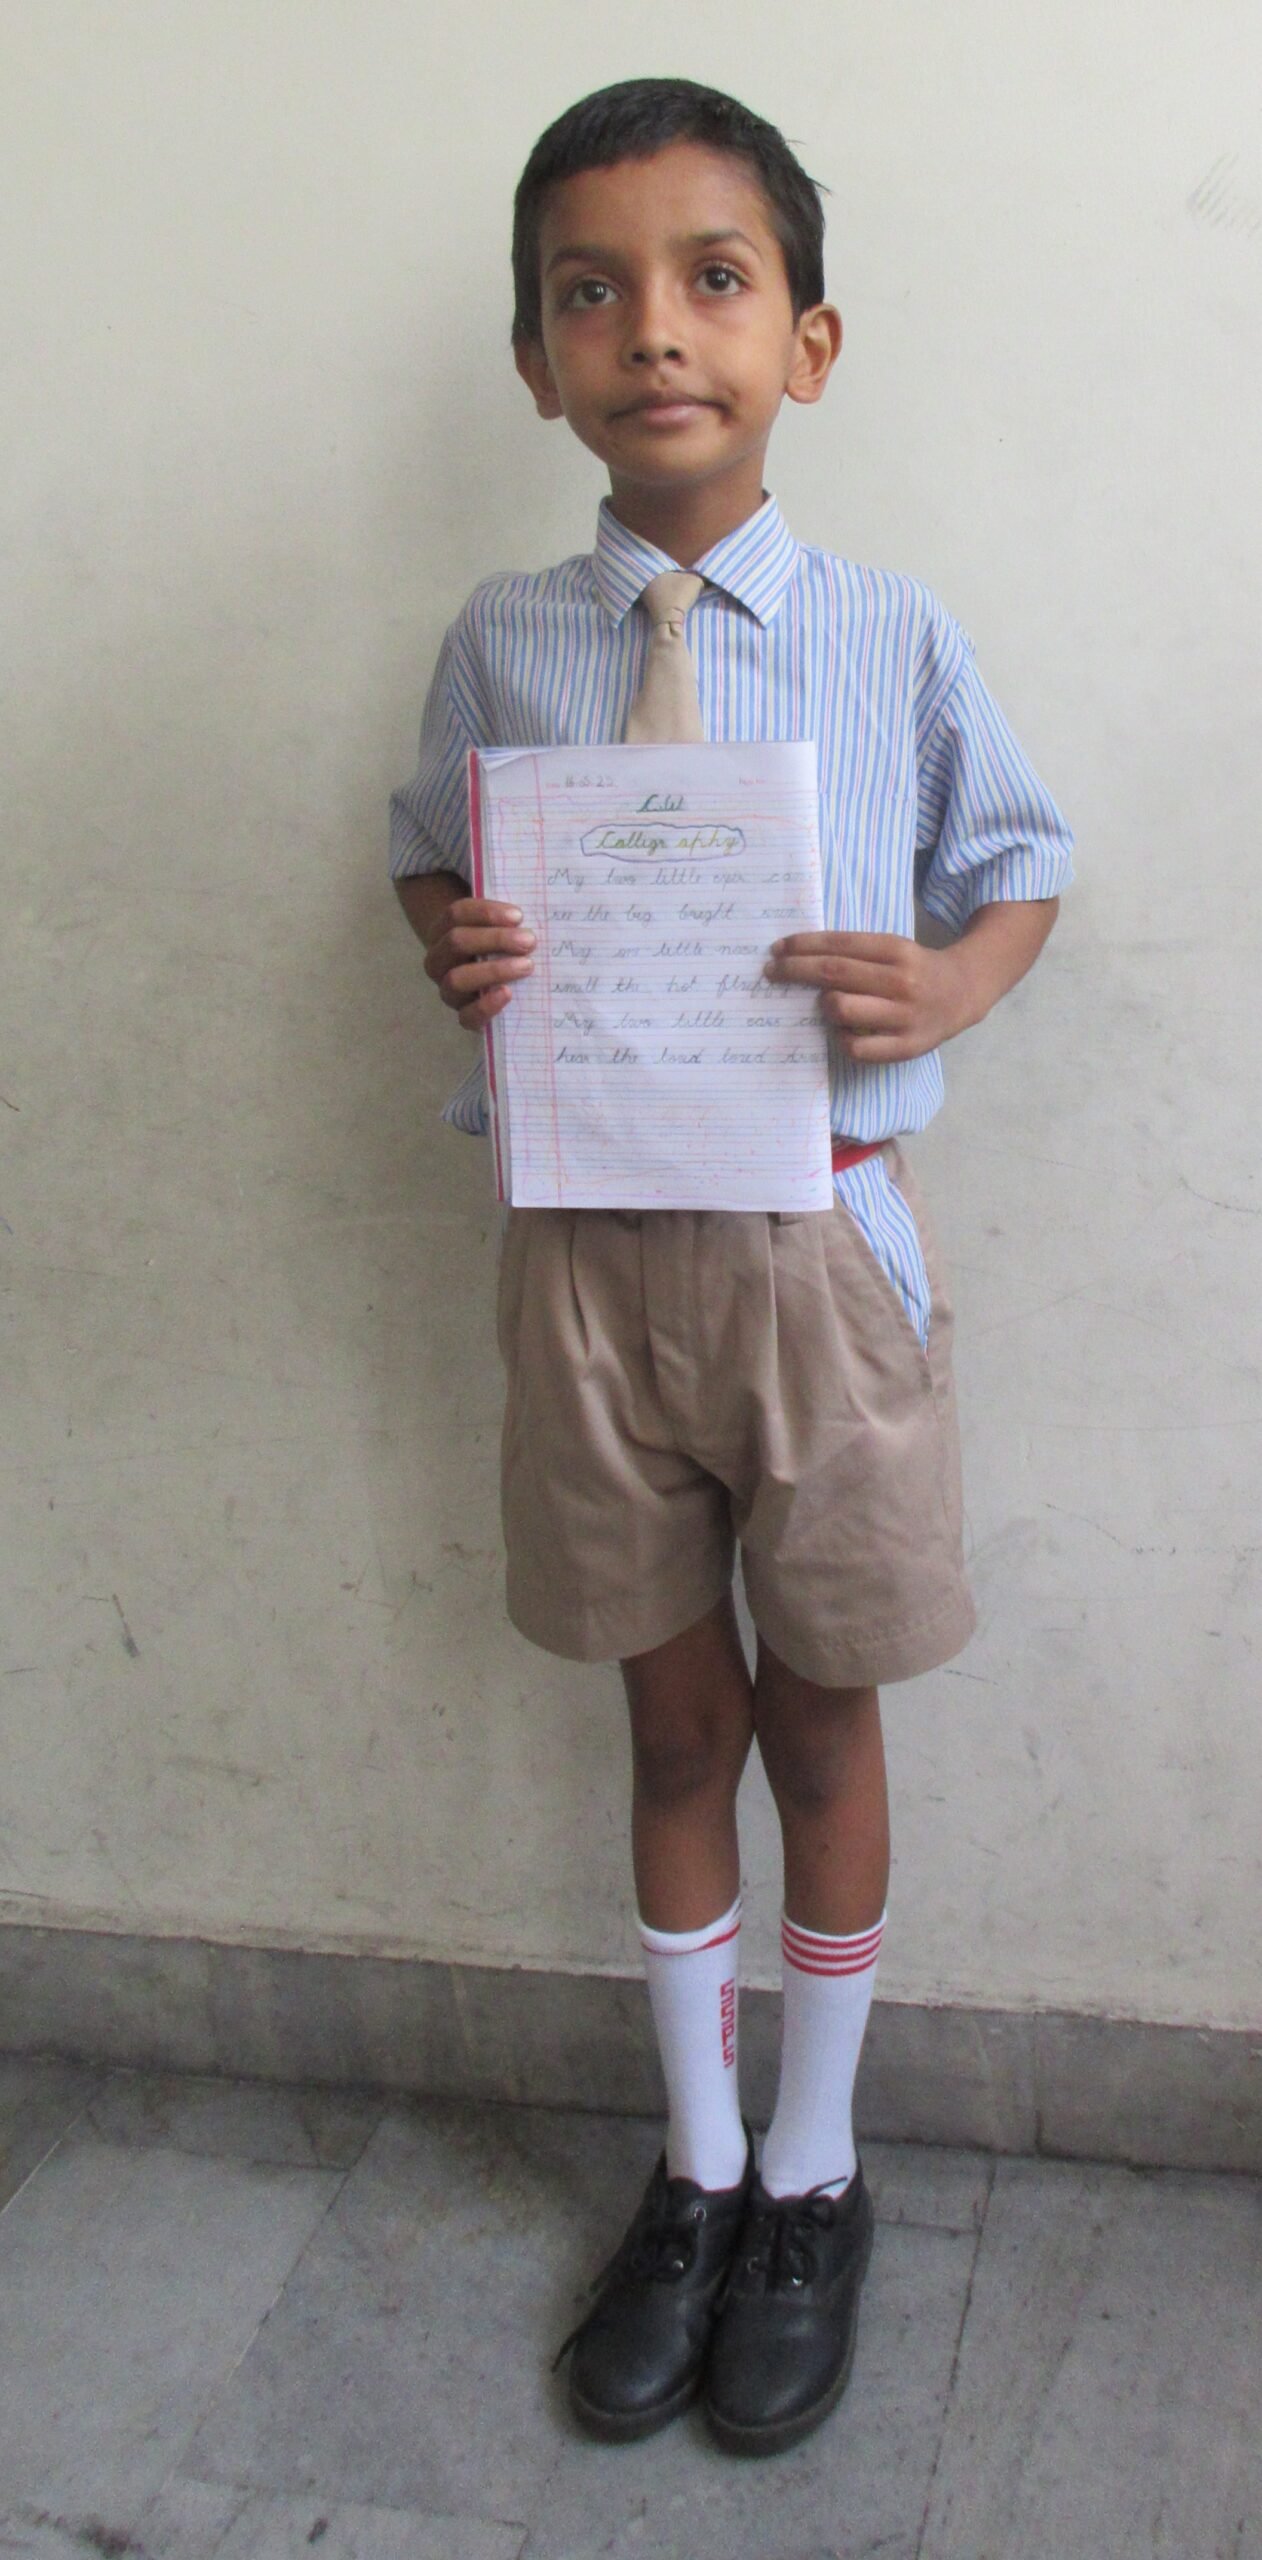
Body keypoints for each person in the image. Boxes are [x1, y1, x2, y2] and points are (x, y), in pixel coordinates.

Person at [390, 76, 1072, 2456]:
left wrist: (947, 982)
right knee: (671, 1717)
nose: (652, 330)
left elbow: (1021, 857)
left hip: (819, 1259)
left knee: (821, 1711)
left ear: (810, 338)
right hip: (586, 1261)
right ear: (534, 360)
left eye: (712, 279)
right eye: (589, 292)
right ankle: (690, 2162)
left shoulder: (889, 633)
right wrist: (458, 940)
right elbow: (424, 851)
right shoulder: (503, 640)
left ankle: (815, 2165)